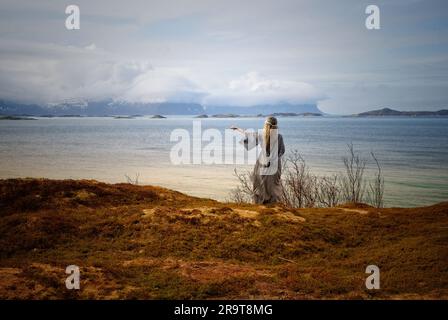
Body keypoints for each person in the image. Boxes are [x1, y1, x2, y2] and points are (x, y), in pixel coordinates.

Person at [231, 116, 285, 204]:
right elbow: (281, 151)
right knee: (273, 185)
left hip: (262, 163)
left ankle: (260, 203)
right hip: (275, 164)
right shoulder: (279, 137)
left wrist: (238, 129)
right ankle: (274, 205)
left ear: (266, 125)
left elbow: (248, 135)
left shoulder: (261, 135)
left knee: (260, 184)